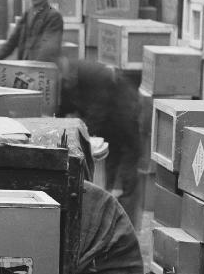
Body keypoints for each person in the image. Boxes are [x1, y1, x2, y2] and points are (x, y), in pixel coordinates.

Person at [58, 57, 143, 221]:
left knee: (128, 159)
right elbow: (65, 107)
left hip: (124, 115)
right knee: (109, 161)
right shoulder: (69, 80)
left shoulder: (94, 74)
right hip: (109, 122)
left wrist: (82, 134)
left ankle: (126, 218)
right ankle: (104, 209)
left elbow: (99, 108)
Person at [0, 0, 65, 62]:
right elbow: (12, 41)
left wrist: (33, 70)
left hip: (42, 69)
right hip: (26, 66)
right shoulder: (27, 14)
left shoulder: (53, 16)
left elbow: (48, 49)